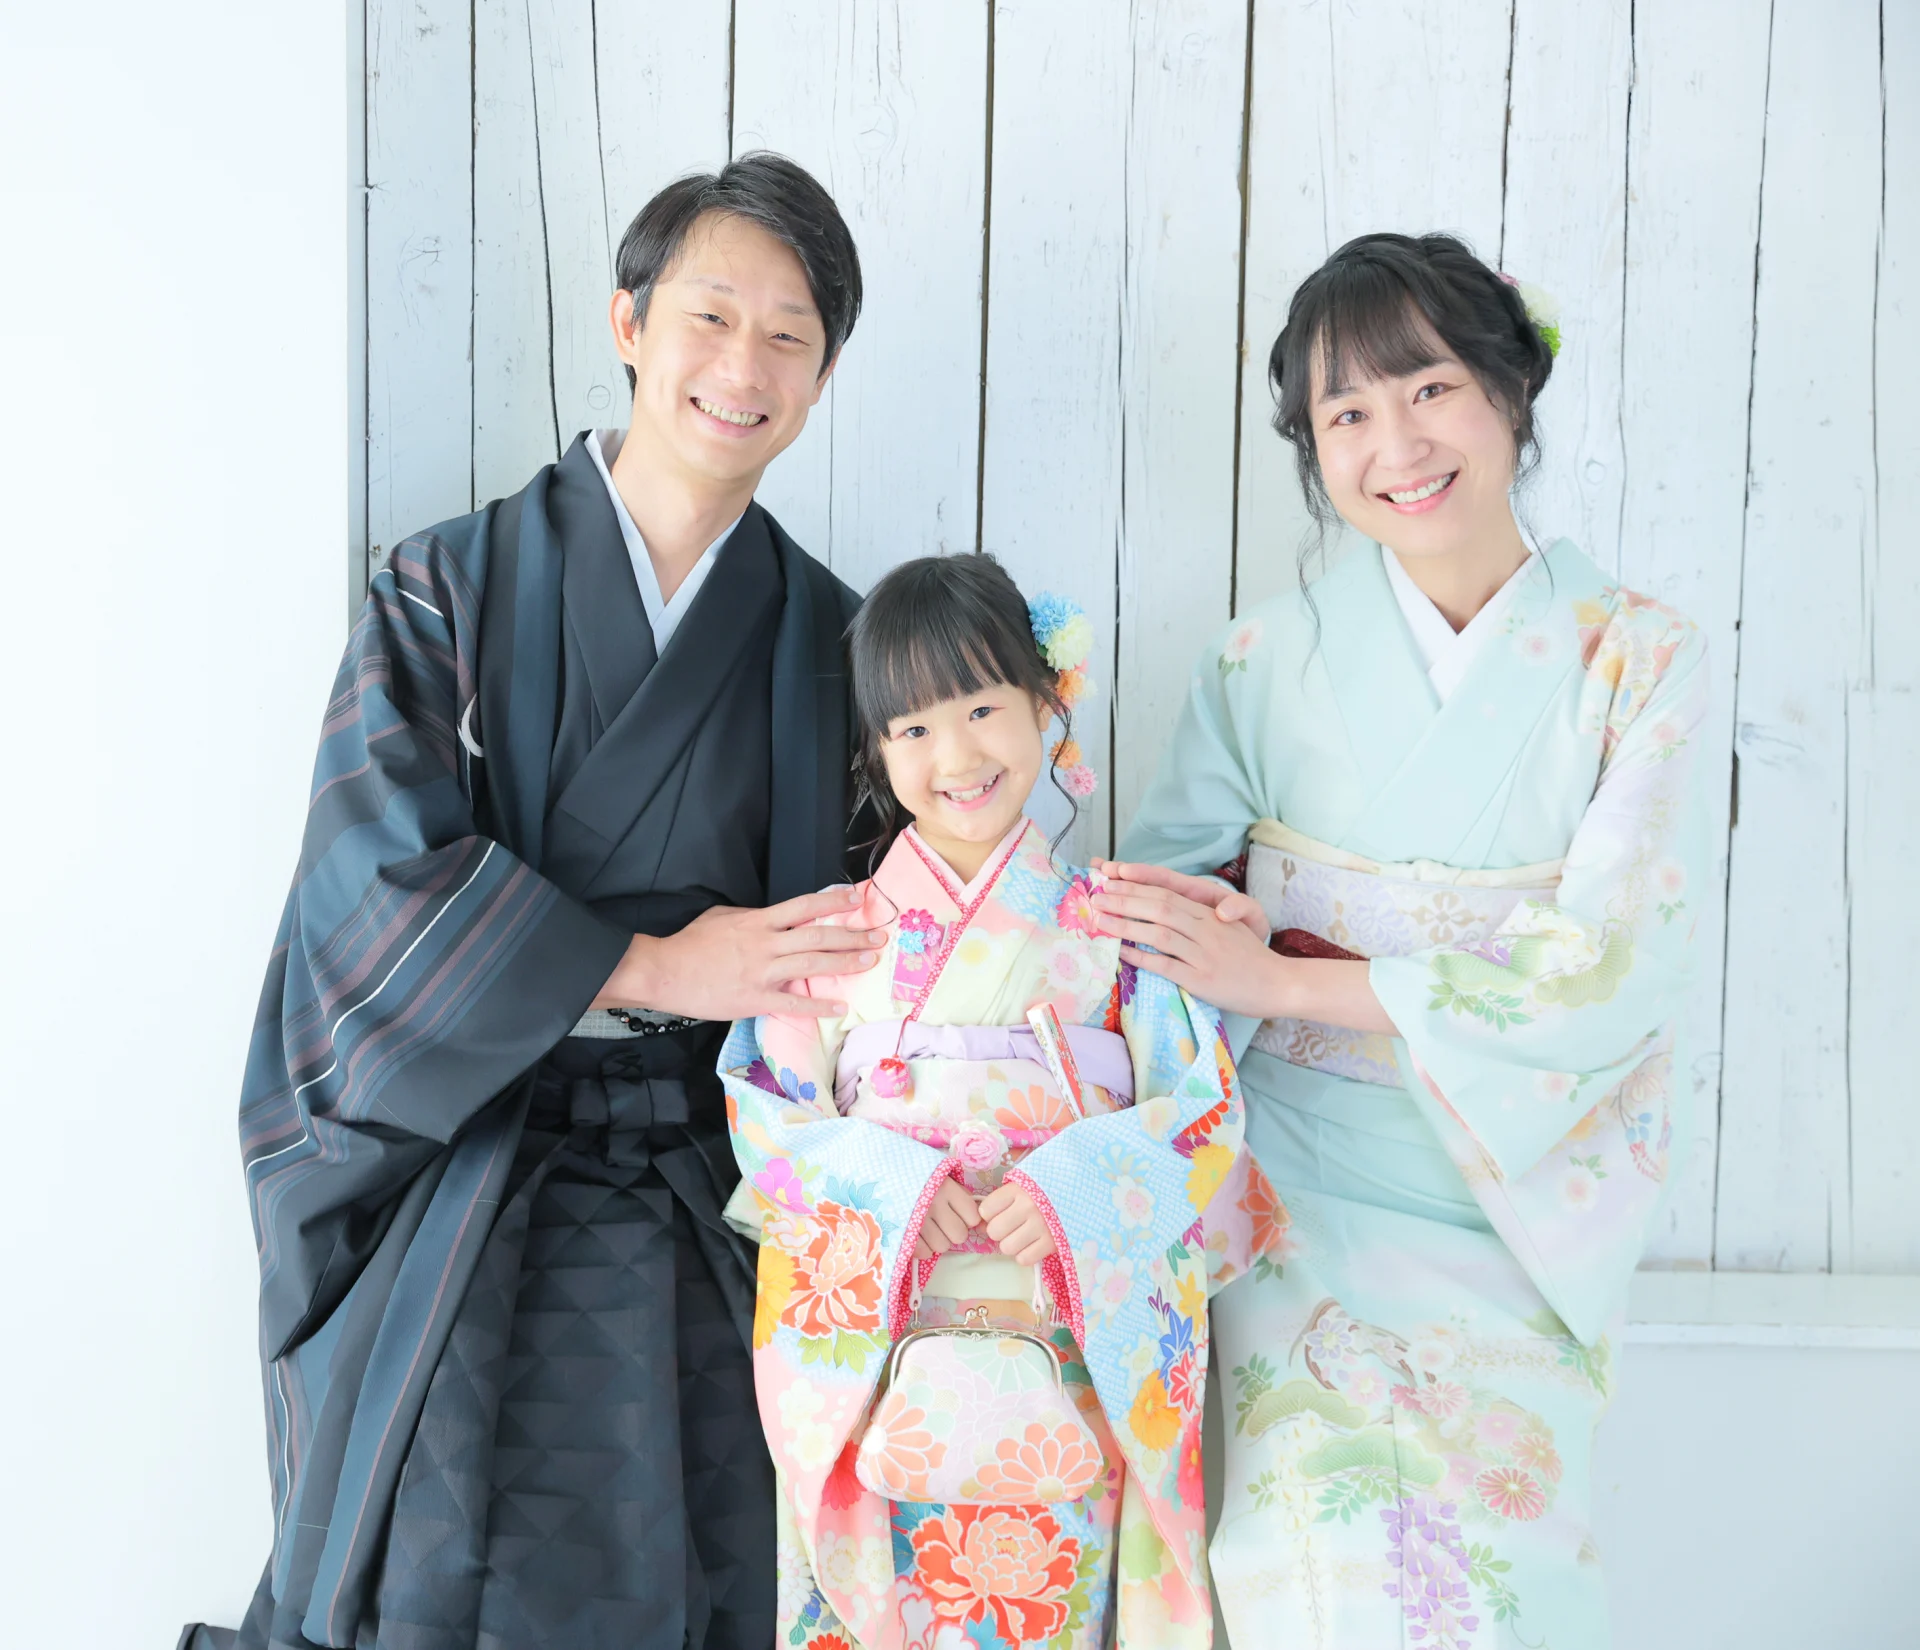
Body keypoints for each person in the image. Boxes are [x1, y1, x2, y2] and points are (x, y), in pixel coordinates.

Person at [186, 154, 883, 1650]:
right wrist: (658, 963)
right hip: (477, 1167)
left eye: (789, 336)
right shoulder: (449, 584)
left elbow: (893, 938)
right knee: (453, 1573)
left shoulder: (839, 642)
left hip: (726, 1189)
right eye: (710, 317)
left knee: (738, 1571)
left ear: (822, 377)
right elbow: (371, 888)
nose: (743, 367)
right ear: (630, 322)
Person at [1096, 233, 1708, 1649]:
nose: (1397, 445)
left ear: (1509, 389)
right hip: (1290, 1197)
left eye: (1429, 388)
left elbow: (1614, 964)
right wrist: (1220, 941)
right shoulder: (1259, 662)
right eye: (1347, 414)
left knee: (1501, 1589)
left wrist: (1284, 974)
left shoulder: (1640, 657)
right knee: (1317, 1569)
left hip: (1517, 1198)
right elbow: (1155, 928)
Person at [717, 554, 1276, 1650]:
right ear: (878, 749)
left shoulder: (1121, 931)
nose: (957, 755)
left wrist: (1074, 1190)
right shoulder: (829, 938)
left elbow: (1205, 1114)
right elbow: (767, 1115)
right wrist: (892, 1189)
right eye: (914, 728)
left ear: (1045, 703)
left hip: (1067, 1343)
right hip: (883, 1348)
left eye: (981, 708)